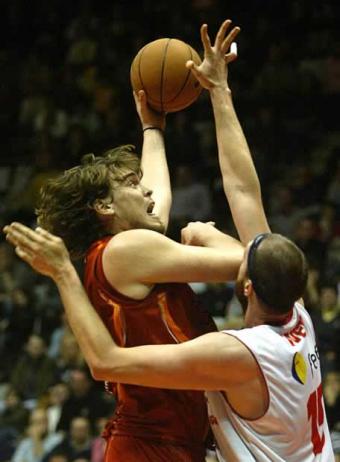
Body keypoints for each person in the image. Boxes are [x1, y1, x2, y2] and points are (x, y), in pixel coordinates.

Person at [4, 19, 334, 461]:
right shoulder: (127, 251)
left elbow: (251, 257)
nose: (146, 189)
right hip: (151, 441)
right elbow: (255, 243)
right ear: (104, 207)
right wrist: (208, 98)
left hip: (179, 437)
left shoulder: (128, 250)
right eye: (132, 183)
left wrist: (202, 228)